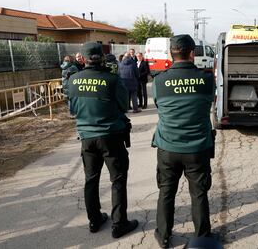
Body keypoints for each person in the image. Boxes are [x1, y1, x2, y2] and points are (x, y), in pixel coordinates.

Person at [68, 42, 138, 239]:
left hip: (87, 138)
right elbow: (124, 105)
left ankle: (94, 220)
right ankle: (119, 223)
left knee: (91, 179)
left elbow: (72, 109)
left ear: (82, 58)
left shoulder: (73, 80)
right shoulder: (112, 79)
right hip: (111, 136)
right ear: (101, 56)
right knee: (117, 179)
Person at [152, 34, 215, 248]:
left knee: (166, 191)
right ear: (192, 53)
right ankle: (202, 236)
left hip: (168, 146)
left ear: (172, 53)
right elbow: (208, 103)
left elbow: (160, 106)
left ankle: (163, 235)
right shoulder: (207, 79)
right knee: (198, 193)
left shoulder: (159, 80)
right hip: (198, 148)